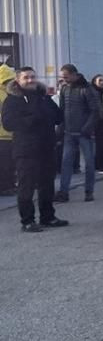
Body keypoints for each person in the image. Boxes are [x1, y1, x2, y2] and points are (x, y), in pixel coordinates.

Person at [3, 66, 68, 232]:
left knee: (47, 184)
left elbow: (58, 116)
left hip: (47, 147)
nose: (30, 80)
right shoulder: (13, 100)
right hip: (26, 150)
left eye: (32, 77)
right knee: (27, 186)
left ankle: (48, 216)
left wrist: (53, 117)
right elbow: (8, 123)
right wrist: (33, 119)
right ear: (18, 80)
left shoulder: (43, 97)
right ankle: (27, 221)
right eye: (26, 77)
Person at [55, 64, 100, 202]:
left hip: (84, 134)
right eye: (62, 77)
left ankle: (89, 191)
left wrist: (87, 129)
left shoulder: (87, 89)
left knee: (89, 163)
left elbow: (95, 111)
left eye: (66, 76)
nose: (64, 79)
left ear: (74, 74)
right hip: (69, 132)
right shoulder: (65, 89)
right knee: (66, 163)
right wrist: (60, 129)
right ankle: (63, 192)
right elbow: (62, 110)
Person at [0, 64, 15, 197]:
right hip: (2, 135)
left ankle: (9, 185)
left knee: (9, 163)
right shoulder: (4, 94)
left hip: (10, 134)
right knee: (5, 164)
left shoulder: (9, 93)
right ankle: (6, 187)